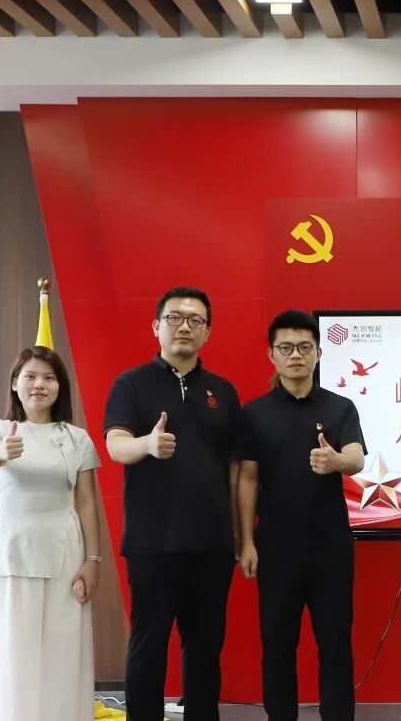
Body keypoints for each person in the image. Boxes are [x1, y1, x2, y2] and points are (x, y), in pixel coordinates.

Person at [104, 287, 244, 721]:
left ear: (207, 332)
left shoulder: (223, 391)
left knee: (205, 648)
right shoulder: (131, 384)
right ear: (157, 326)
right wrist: (146, 444)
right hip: (153, 542)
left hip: (212, 544)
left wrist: (240, 535)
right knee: (148, 646)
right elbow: (115, 444)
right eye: (175, 318)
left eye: (196, 320)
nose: (185, 326)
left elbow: (236, 469)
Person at [238, 310, 366, 721]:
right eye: (286, 347)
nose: (296, 355)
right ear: (272, 354)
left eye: (304, 347)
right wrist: (246, 541)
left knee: (336, 647)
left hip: (331, 548)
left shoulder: (340, 407)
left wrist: (336, 461)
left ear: (318, 353)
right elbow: (247, 479)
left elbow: (356, 458)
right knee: (277, 647)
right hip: (275, 548)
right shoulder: (254, 413)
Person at [0, 346, 103, 721]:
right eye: (30, 376)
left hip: (65, 553)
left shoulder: (76, 437)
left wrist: (93, 560)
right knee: (15, 652)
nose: (39, 384)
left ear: (60, 386)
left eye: (49, 377)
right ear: (15, 383)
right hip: (12, 554)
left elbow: (87, 502)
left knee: (65, 651)